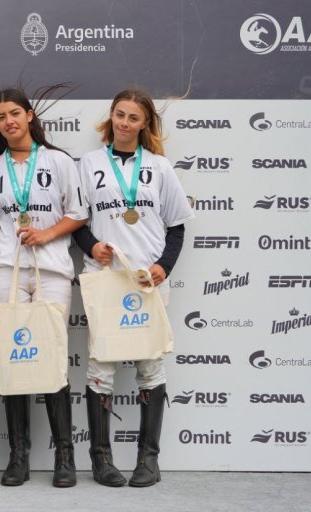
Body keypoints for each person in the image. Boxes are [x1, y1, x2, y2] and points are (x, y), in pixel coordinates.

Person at [74, 88, 194, 487]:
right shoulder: (89, 163)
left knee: (150, 364)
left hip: (148, 280)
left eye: (133, 118)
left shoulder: (159, 166)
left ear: (145, 125)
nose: (125, 123)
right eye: (119, 115)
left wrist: (164, 266)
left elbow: (176, 226)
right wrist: (92, 245)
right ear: (110, 117)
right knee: (100, 366)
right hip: (105, 279)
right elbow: (78, 221)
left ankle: (149, 460)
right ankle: (101, 461)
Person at [0, 87, 88, 488]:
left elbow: (78, 213)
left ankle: (65, 457)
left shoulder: (59, 160)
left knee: (52, 358)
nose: (8, 121)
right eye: (0, 117)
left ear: (29, 116)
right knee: (12, 361)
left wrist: (45, 235)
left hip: (52, 270)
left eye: (14, 113)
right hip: (7, 270)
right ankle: (18, 457)